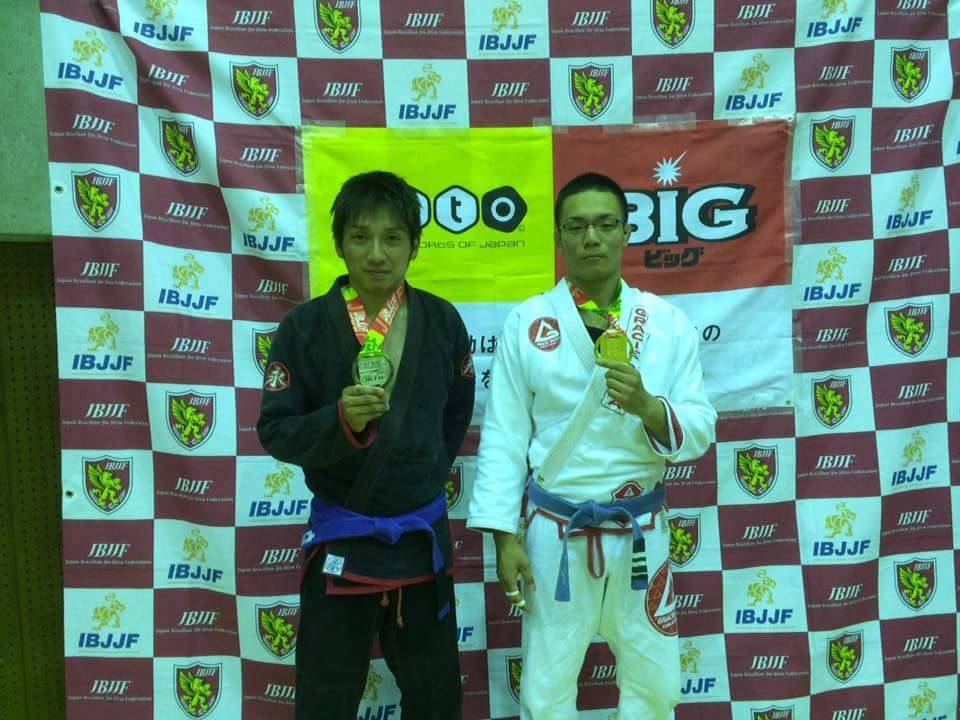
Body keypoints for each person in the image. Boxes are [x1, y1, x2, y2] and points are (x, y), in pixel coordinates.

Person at [467, 172, 716, 719]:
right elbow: (504, 437)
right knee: (546, 688)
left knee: (656, 685)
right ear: (558, 236)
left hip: (641, 533)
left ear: (627, 231)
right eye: (577, 226)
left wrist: (649, 406)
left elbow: (700, 425)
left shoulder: (667, 324)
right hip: (556, 532)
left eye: (605, 224)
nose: (592, 238)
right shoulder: (528, 322)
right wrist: (504, 540)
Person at [257, 171, 475, 720]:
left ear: (414, 245)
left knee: (438, 701)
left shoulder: (443, 322)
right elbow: (276, 431)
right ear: (339, 243)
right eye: (360, 237)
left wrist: (423, 470)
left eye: (392, 238)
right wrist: (341, 423)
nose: (376, 253)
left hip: (420, 543)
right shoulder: (303, 328)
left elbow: (456, 414)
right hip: (342, 544)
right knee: (324, 703)